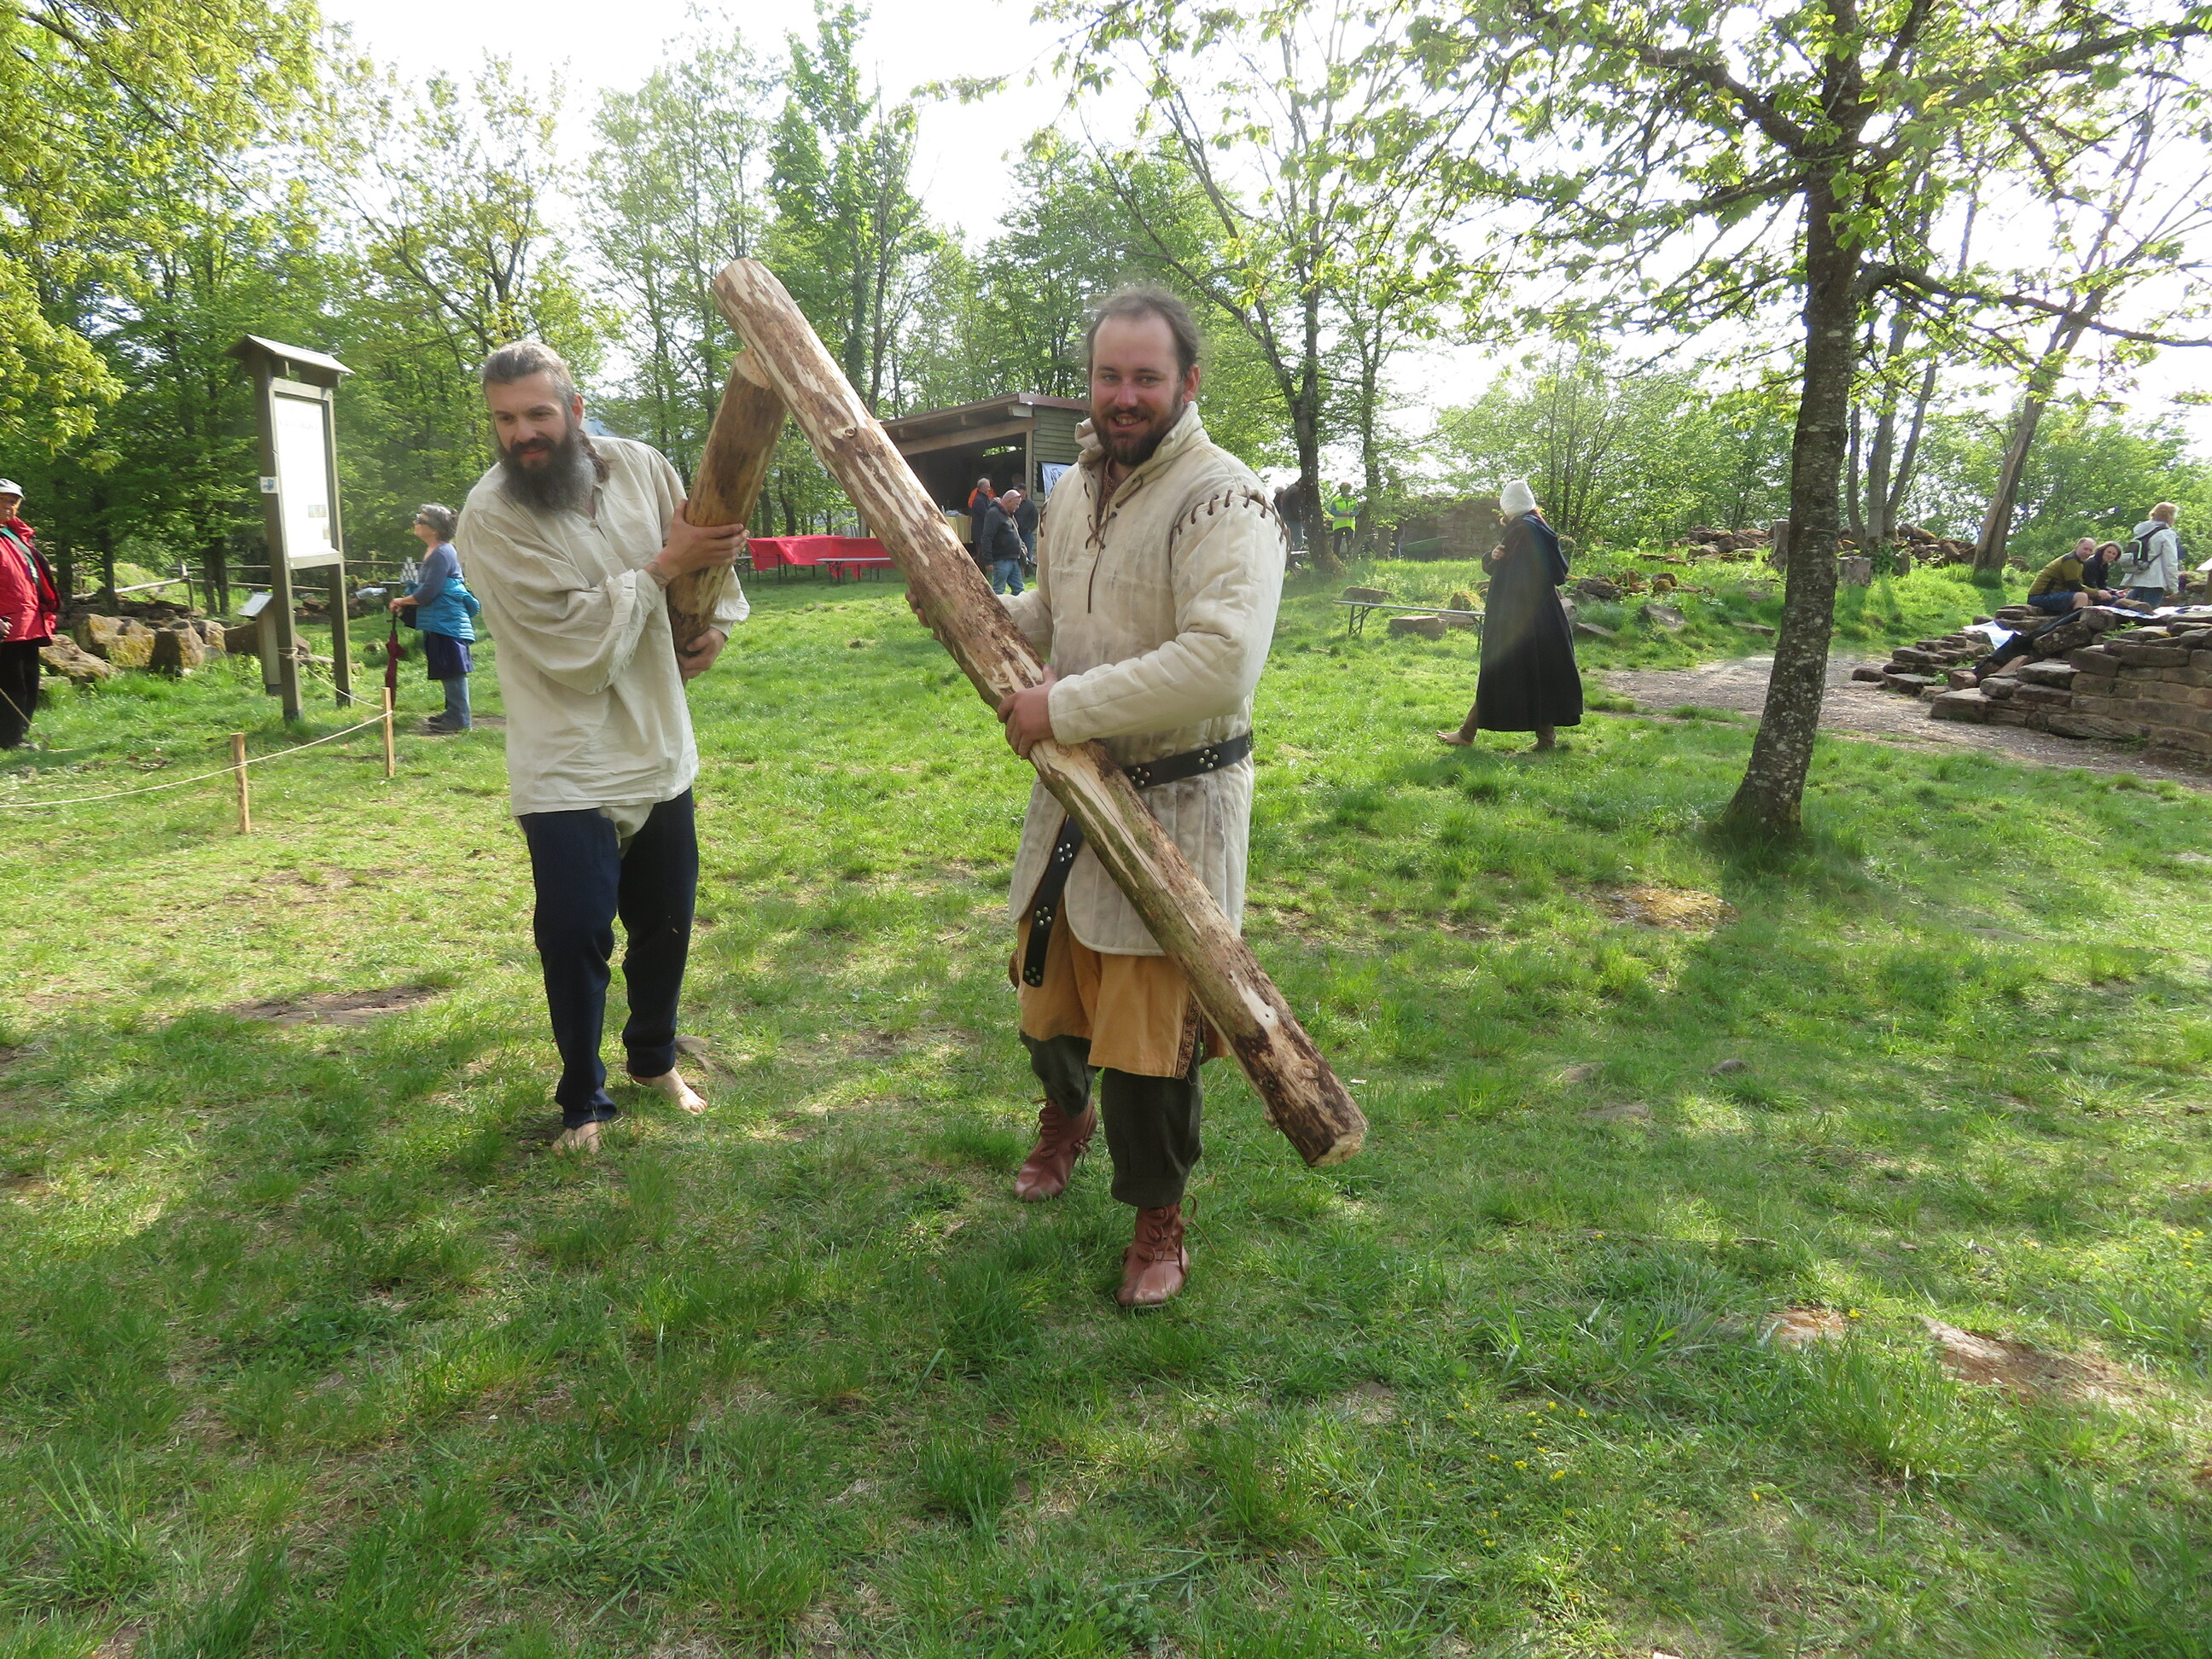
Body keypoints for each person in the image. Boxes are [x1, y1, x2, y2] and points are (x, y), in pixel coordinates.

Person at [970, 286, 1284, 1308]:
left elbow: (1222, 663)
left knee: (1150, 1044)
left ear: (1187, 384)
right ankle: (1066, 1117)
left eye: (1147, 377)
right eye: (1110, 376)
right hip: (1074, 791)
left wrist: (1061, 706)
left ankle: (1159, 1217)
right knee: (1047, 1004)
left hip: (1173, 807)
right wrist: (978, 612)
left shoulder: (1224, 499)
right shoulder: (1075, 490)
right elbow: (1059, 609)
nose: (1125, 395)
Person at [457, 340, 748, 1154]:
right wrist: (661, 568)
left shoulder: (642, 467)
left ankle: (654, 1061)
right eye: (505, 420)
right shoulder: (491, 515)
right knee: (576, 933)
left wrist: (716, 626)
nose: (522, 434)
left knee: (666, 922)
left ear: (575, 410)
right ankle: (583, 1099)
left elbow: (710, 556)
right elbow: (571, 645)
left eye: (538, 413)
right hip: (567, 756)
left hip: (658, 742)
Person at [1437, 478, 1581, 753]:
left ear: (1508, 507)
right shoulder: (1538, 526)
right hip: (1542, 613)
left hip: (1520, 615)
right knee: (1539, 670)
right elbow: (1521, 566)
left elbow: (1517, 573)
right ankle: (1545, 740)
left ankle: (1467, 734)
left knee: (1500, 671)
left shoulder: (1522, 529)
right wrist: (1492, 557)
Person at [389, 504, 480, 731]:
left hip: (448, 621)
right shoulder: (436, 550)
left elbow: (428, 593)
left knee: (453, 668)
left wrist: (401, 601)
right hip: (440, 619)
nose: (415, 522)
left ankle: (460, 719)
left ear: (435, 528)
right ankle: (453, 712)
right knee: (446, 666)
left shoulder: (441, 553)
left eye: (420, 519)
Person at [0, 479, 60, 750]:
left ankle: (18, 736)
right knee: (12, 686)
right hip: (6, 627)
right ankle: (9, 740)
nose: (8, 505)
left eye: (13, 501)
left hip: (29, 624)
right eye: (3, 500)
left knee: (29, 684)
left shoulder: (15, 536)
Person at [2025, 536, 2122, 614]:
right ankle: (2074, 625)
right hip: (2039, 597)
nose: (2087, 553)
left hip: (2051, 595)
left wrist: (2112, 592)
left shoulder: (2079, 563)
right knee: (2081, 597)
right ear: (2076, 548)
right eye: (2085, 549)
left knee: (2088, 599)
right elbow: (2074, 586)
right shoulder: (2070, 560)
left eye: (2090, 550)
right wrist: (2097, 593)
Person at [2116, 503, 2181, 603]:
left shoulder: (2142, 531)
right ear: (2170, 516)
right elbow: (2170, 563)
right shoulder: (2166, 534)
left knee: (2132, 609)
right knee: (2148, 611)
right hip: (2155, 581)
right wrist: (2174, 588)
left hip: (2137, 577)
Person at [981, 486, 1027, 595]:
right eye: (1016, 504)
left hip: (1014, 559)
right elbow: (986, 538)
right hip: (1001, 560)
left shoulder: (1010, 514)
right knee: (998, 591)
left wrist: (1022, 545)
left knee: (1019, 590)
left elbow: (1016, 533)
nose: (1018, 507)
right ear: (1008, 501)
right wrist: (988, 561)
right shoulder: (993, 514)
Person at [966, 477, 998, 571]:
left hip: (983, 531)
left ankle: (983, 570)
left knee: (983, 552)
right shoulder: (979, 500)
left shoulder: (984, 498)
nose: (989, 489)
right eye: (988, 487)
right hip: (980, 531)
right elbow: (986, 514)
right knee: (981, 554)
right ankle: (980, 571)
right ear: (983, 487)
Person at [1011, 486, 1039, 573]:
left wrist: (1030, 529)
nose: (1018, 493)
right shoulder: (1015, 503)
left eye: (1020, 491)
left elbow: (1036, 518)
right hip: (1016, 532)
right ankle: (1018, 571)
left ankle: (1028, 571)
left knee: (1027, 552)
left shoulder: (1030, 505)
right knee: (1016, 552)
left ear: (1024, 492)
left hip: (1027, 533)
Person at [1327, 483, 1359, 561]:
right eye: (1344, 488)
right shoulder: (1336, 500)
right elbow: (1332, 511)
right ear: (1341, 489)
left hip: (1350, 524)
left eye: (1348, 488)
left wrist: (1350, 514)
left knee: (1350, 542)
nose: (1346, 490)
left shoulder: (1353, 499)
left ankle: (1351, 559)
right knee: (1337, 543)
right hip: (1338, 525)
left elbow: (1357, 511)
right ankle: (1335, 560)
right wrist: (1342, 514)